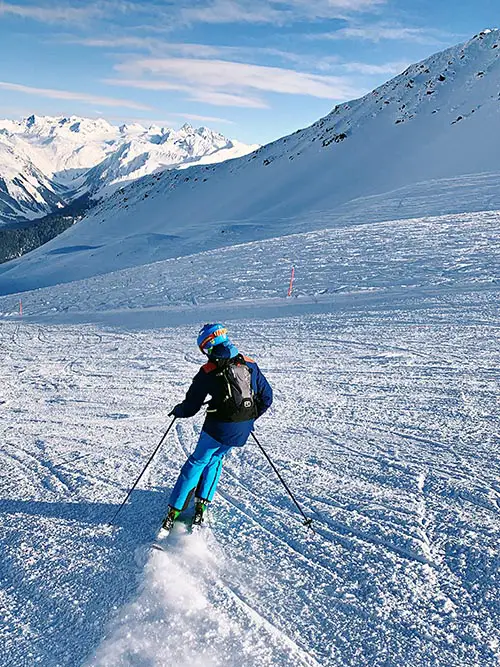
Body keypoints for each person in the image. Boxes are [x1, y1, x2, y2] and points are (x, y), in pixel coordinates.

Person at [162, 323, 273, 532]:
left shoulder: (208, 370)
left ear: (209, 345)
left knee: (197, 462)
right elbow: (267, 397)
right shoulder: (249, 363)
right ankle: (202, 504)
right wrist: (248, 418)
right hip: (242, 430)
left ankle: (173, 511)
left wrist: (179, 410)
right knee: (216, 458)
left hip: (218, 427)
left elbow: (192, 405)